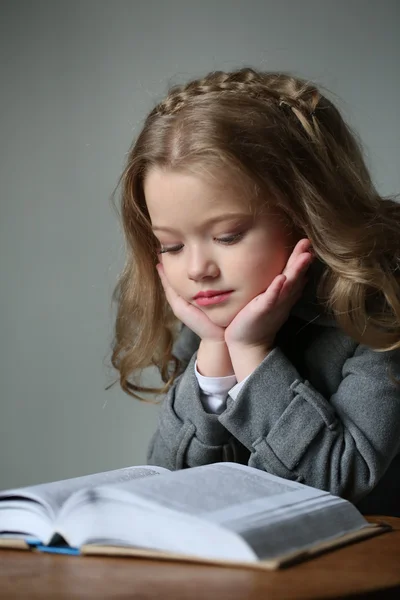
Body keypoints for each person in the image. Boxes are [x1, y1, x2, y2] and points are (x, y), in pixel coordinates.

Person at [110, 67, 400, 516]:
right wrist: (213, 353)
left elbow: (336, 485)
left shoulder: (378, 314)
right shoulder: (212, 322)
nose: (197, 269)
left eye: (227, 236)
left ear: (306, 216)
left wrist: (252, 351)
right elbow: (171, 489)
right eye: (171, 245)